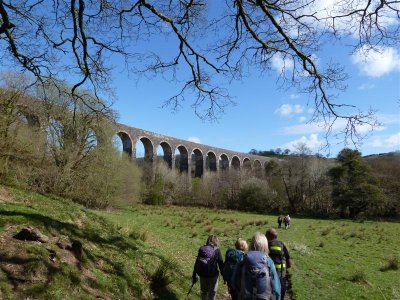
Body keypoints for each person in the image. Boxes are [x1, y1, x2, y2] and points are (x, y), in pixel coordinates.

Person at [238, 232, 281, 300]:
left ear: (251, 244)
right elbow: (276, 288)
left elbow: (234, 280)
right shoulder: (268, 261)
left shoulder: (243, 258)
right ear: (265, 245)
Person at [192, 235, 224, 300]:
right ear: (216, 241)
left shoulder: (202, 249)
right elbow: (220, 263)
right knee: (212, 294)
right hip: (213, 276)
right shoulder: (217, 250)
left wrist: (194, 275)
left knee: (204, 292)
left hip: (203, 275)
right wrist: (224, 276)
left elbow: (197, 262)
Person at [266, 228, 293, 300]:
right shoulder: (282, 244)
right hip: (282, 276)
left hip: (270, 276)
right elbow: (289, 263)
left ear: (268, 236)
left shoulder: (266, 245)